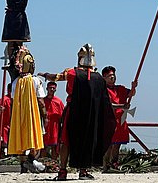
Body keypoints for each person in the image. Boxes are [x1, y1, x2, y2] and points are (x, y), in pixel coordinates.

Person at [38, 44, 116, 180]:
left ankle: (63, 171)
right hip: (91, 114)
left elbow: (56, 77)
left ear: (80, 58)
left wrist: (44, 74)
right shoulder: (98, 77)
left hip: (73, 111)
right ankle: (83, 171)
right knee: (87, 140)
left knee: (66, 141)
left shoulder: (72, 73)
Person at [7, 46, 47, 173]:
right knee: (34, 136)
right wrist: (45, 115)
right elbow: (41, 101)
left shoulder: (16, 82)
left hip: (19, 114)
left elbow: (13, 101)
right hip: (32, 114)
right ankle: (31, 160)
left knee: (21, 138)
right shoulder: (36, 80)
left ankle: (23, 165)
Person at [101, 65, 137, 170]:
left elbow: (131, 94)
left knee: (117, 143)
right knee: (108, 144)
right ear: (104, 77)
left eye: (113, 75)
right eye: (109, 76)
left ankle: (114, 163)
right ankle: (106, 165)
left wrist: (134, 87)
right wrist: (122, 106)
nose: (112, 77)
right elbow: (108, 105)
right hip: (109, 120)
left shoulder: (120, 88)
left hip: (121, 119)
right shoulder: (103, 90)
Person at [42, 81, 65, 159]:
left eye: (53, 88)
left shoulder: (58, 101)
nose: (52, 89)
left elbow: (63, 116)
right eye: (50, 88)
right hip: (45, 126)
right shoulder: (42, 101)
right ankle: (43, 163)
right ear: (47, 89)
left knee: (54, 146)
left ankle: (53, 164)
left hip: (55, 126)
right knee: (43, 146)